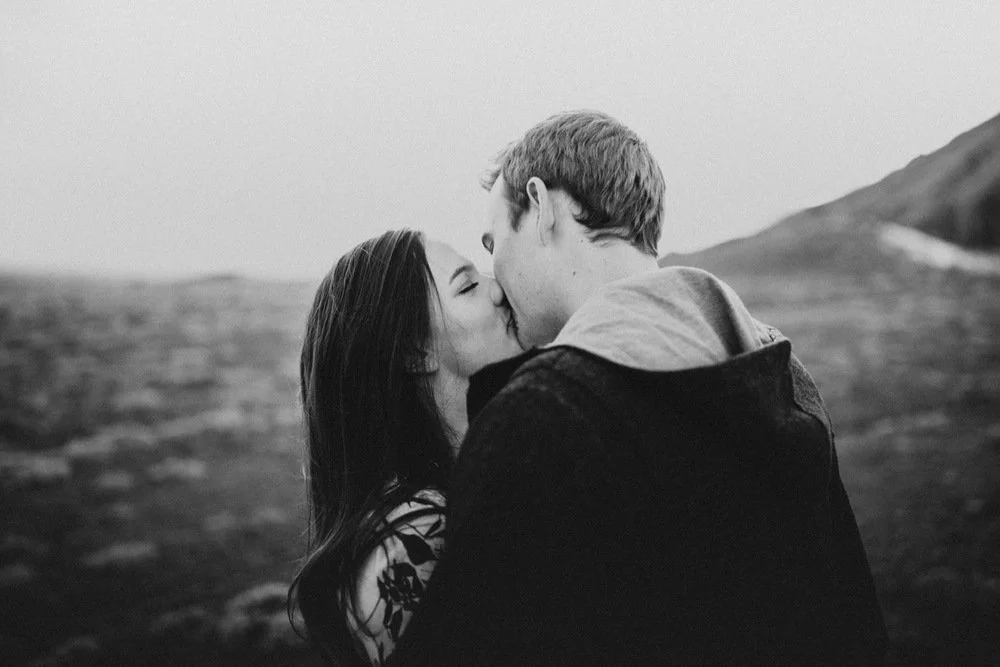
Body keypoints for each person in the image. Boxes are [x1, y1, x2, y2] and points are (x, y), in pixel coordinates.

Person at [391, 111, 888, 665]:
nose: (496, 281)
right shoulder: (782, 370)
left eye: (493, 242)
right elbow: (853, 616)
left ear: (540, 206)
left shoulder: (539, 415)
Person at [288, 229, 523, 665]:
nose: (498, 290)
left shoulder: (454, 494)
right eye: (468, 286)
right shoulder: (415, 542)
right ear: (415, 350)